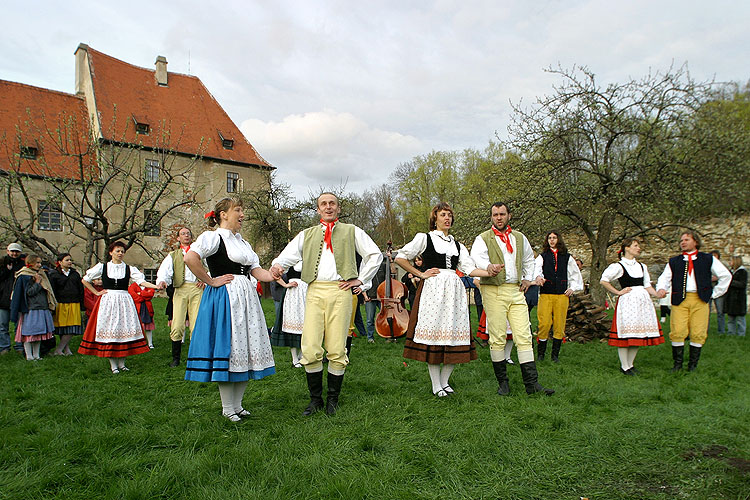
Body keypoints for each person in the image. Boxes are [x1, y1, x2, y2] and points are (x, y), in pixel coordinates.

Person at [271, 192, 382, 416]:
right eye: (324, 204)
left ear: (338, 208)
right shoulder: (307, 234)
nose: (328, 207)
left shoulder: (353, 231)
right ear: (318, 209)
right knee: (310, 346)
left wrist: (360, 279)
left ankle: (333, 399)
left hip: (340, 291)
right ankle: (315, 400)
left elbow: (374, 254)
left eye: (332, 203)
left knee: (336, 347)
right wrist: (277, 266)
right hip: (314, 291)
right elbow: (285, 257)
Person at [184, 198, 276, 422]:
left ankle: (237, 405)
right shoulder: (212, 237)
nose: (242, 215)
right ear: (223, 214)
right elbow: (190, 258)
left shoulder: (243, 242)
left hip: (246, 298)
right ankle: (227, 408)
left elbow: (256, 272)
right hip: (225, 297)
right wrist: (210, 280)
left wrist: (273, 274)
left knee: (245, 348)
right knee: (231, 348)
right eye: (238, 210)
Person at [395, 202, 494, 398]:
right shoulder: (425, 238)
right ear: (435, 218)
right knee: (434, 336)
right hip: (433, 291)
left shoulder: (457, 245)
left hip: (454, 293)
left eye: (449, 215)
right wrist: (420, 274)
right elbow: (400, 257)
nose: (447, 218)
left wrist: (489, 271)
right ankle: (435, 384)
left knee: (454, 335)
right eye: (442, 215)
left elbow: (469, 268)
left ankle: (445, 382)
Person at [471, 202, 554, 396]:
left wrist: (527, 278)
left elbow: (528, 260)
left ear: (509, 215)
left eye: (501, 214)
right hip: (493, 289)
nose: (498, 218)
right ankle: (503, 384)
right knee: (498, 336)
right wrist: (488, 266)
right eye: (495, 215)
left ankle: (532, 384)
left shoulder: (519, 237)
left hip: (515, 290)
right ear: (491, 217)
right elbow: (477, 257)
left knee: (524, 335)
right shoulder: (483, 238)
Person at [78, 241, 159, 373]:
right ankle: (113, 365)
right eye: (117, 251)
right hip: (109, 301)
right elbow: (85, 280)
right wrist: (96, 292)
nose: (120, 253)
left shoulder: (128, 268)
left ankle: (122, 363)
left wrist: (155, 286)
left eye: (122, 251)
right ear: (111, 252)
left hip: (124, 301)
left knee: (124, 329)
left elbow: (141, 281)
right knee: (111, 330)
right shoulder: (103, 267)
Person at [656, 231, 731, 371]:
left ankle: (692, 366)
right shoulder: (674, 261)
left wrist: (714, 293)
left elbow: (725, 275)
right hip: (680, 300)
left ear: (695, 242)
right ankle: (677, 365)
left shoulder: (708, 259)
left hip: (700, 300)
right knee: (678, 330)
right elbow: (664, 278)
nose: (682, 242)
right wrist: (661, 288)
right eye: (681, 240)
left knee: (698, 332)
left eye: (686, 239)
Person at [599, 238, 663, 375]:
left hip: (642, 302)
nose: (638, 248)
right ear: (627, 248)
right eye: (635, 245)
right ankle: (624, 366)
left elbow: (647, 285)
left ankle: (630, 364)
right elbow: (604, 280)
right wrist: (617, 292)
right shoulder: (618, 266)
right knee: (626, 334)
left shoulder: (642, 266)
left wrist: (657, 294)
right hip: (628, 303)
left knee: (638, 334)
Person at [533, 230, 584, 362]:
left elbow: (575, 274)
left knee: (559, 324)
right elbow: (536, 270)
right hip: (546, 294)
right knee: (544, 323)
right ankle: (541, 353)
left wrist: (572, 288)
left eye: (554, 238)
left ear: (558, 239)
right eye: (549, 238)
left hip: (561, 295)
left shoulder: (567, 257)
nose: (552, 240)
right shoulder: (542, 256)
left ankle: (555, 355)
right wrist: (539, 277)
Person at [156, 226, 203, 367]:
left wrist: (206, 279)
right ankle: (176, 359)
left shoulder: (199, 253)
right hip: (180, 289)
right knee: (176, 324)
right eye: (183, 234)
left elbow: (210, 268)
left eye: (188, 233)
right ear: (178, 238)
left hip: (196, 289)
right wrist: (162, 281)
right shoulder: (174, 255)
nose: (186, 235)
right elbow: (165, 271)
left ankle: (195, 358)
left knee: (196, 325)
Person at [10, 254, 57, 360]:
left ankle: (36, 355)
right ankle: (29, 355)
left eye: (40, 263)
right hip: (31, 309)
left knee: (38, 334)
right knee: (29, 334)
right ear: (30, 263)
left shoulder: (40, 274)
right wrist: (37, 283)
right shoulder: (24, 275)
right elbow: (29, 293)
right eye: (37, 263)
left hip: (42, 307)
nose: (40, 265)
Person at [48, 253, 84, 356]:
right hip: (61, 303)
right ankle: (65, 349)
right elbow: (53, 290)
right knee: (62, 327)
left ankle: (59, 349)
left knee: (72, 327)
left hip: (74, 303)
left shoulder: (75, 274)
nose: (70, 262)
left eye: (70, 260)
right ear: (60, 262)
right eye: (67, 260)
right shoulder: (54, 274)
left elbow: (80, 289)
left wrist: (82, 303)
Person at [270, 263, 305, 367]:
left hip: (307, 293)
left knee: (306, 325)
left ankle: (302, 355)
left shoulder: (311, 258)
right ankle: (295, 359)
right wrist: (285, 285)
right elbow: (274, 273)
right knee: (293, 324)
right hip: (293, 294)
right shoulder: (290, 261)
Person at [0, 242, 25, 355]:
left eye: (17, 251)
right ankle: (4, 347)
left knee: (19, 325)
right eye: (12, 251)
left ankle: (19, 346)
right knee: (2, 325)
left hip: (18, 298)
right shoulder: (2, 262)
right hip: (3, 298)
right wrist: (7, 270)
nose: (14, 253)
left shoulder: (23, 264)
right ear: (8, 251)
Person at [362, 254, 387, 343]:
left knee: (386, 317)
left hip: (382, 297)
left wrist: (390, 260)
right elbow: (362, 281)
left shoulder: (383, 265)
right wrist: (365, 296)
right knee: (369, 319)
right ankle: (370, 337)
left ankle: (387, 335)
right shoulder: (366, 267)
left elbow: (391, 273)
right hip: (370, 297)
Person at [128, 281, 155, 348]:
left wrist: (140, 293)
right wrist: (145, 295)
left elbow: (151, 295)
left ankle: (150, 343)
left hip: (147, 309)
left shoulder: (148, 285)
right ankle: (138, 343)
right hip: (137, 309)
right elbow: (135, 297)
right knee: (137, 327)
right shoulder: (132, 286)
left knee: (148, 327)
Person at [725, 256, 747, 336]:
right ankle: (731, 333)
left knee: (740, 318)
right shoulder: (730, 271)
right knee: (731, 317)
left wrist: (730, 282)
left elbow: (742, 284)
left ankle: (741, 334)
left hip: (739, 298)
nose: (729, 262)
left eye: (731, 261)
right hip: (731, 297)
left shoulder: (742, 272)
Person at [709, 250, 726, 334]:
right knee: (706, 312)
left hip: (718, 290)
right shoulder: (706, 266)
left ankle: (721, 331)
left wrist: (718, 278)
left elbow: (725, 277)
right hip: (708, 290)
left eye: (715, 256)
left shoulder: (722, 266)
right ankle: (705, 330)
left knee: (720, 312)